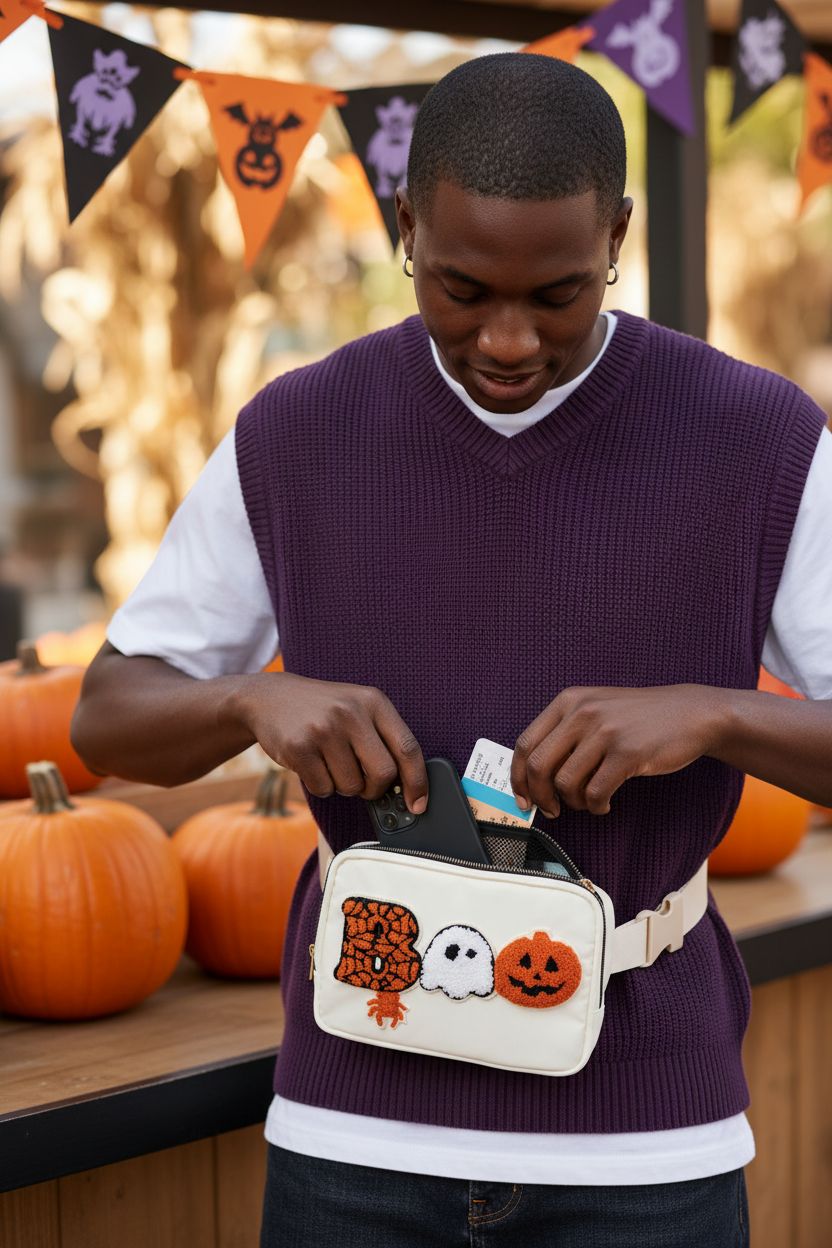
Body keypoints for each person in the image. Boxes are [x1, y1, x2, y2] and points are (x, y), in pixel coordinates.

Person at [72, 53, 832, 1248]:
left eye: (561, 295)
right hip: (351, 1142)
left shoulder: (760, 437)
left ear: (620, 236)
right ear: (406, 226)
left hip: (648, 1150)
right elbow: (106, 720)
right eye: (461, 289)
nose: (511, 340)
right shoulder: (297, 430)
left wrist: (714, 714)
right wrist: (246, 705)